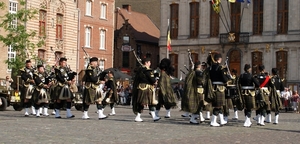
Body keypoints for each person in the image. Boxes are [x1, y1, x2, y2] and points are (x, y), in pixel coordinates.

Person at [132, 58, 160, 122]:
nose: (150, 64)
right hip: (147, 88)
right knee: (149, 102)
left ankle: (153, 116)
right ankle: (139, 116)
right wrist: (155, 81)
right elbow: (152, 79)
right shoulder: (147, 71)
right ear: (146, 63)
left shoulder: (140, 70)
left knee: (143, 103)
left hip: (141, 87)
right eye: (149, 62)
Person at [206, 52, 229, 127]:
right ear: (219, 59)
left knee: (219, 104)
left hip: (213, 87)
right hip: (219, 88)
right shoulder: (220, 68)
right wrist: (227, 78)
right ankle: (213, 121)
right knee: (218, 105)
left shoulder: (211, 68)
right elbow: (224, 79)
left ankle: (222, 120)